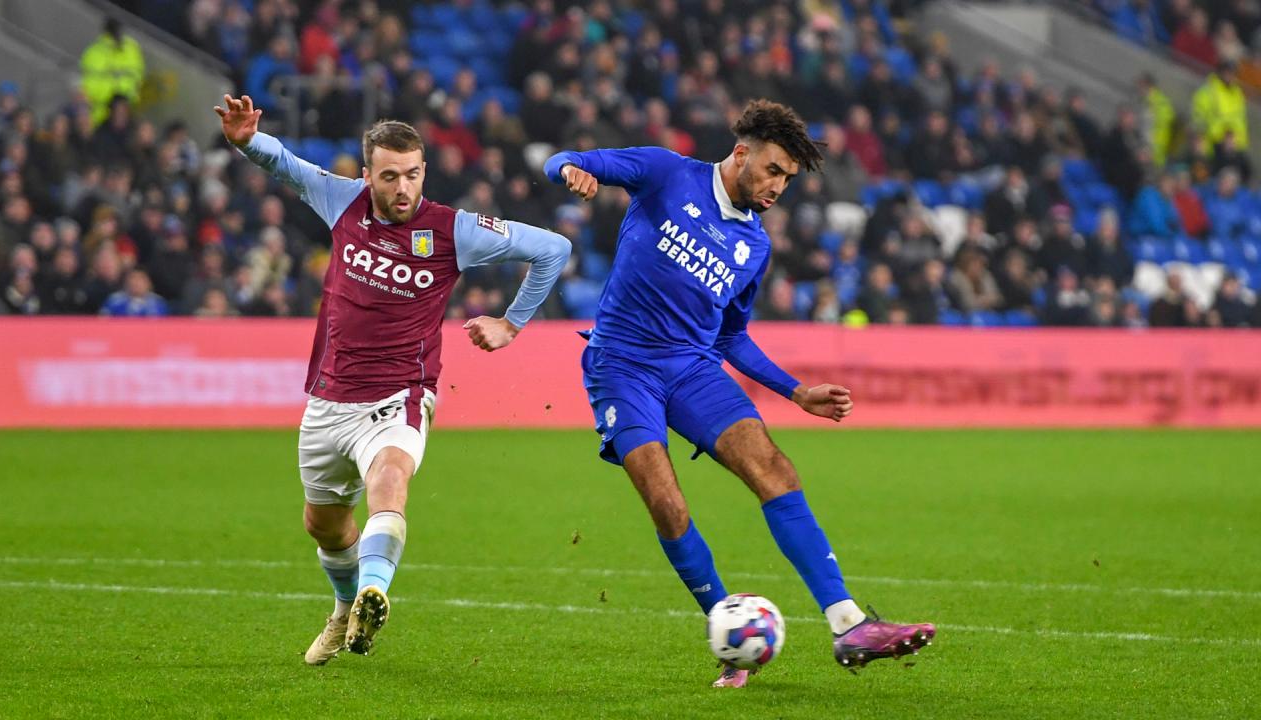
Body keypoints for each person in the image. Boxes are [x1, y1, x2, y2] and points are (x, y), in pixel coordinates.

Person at [543, 99, 935, 689]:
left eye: (788, 180)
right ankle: (728, 632)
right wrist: (572, 171)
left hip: (693, 369)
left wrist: (795, 391)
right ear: (743, 153)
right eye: (774, 171)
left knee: (775, 469)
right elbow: (563, 158)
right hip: (621, 367)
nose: (779, 186)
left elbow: (731, 336)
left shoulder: (753, 247)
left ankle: (848, 623)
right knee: (668, 504)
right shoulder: (666, 173)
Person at [214, 94, 571, 665]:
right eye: (389, 177)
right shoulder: (343, 200)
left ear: (424, 170)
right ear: (367, 175)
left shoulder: (454, 230)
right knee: (324, 526)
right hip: (329, 396)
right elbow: (285, 164)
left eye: (411, 175)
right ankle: (345, 607)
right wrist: (245, 139)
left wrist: (511, 323)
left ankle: (375, 588)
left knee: (390, 478)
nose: (402, 188)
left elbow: (553, 248)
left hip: (400, 394)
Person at [80, 18, 146, 126]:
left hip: (125, 114)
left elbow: (138, 77)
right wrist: (114, 99)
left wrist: (123, 100)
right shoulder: (94, 53)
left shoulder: (132, 49)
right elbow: (88, 88)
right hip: (100, 116)